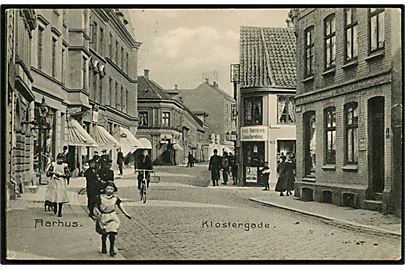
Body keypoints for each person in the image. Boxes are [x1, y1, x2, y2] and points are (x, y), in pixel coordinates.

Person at [93, 181, 132, 257]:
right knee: (104, 233)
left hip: (113, 216)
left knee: (112, 233)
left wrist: (126, 213)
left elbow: (120, 206)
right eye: (108, 189)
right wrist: (98, 215)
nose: (110, 190)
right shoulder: (100, 197)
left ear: (114, 190)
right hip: (103, 217)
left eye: (111, 189)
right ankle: (104, 245)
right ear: (104, 189)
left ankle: (111, 249)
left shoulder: (115, 198)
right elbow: (96, 207)